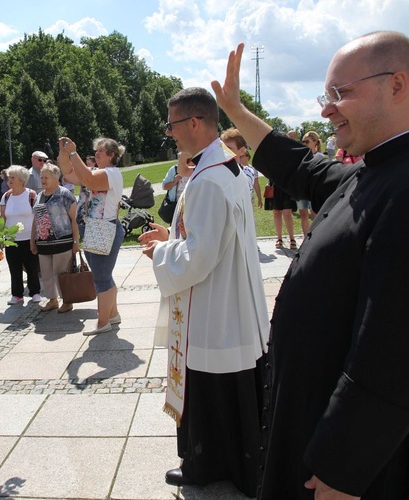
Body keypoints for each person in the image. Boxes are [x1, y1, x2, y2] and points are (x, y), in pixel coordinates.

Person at [212, 32, 409, 499]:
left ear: (397, 85)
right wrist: (236, 111)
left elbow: (396, 355)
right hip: (317, 416)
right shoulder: (387, 167)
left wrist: (343, 469)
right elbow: (301, 168)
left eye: (340, 93)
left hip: (358, 467)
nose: (326, 109)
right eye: (325, 96)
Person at [138, 87, 269, 495]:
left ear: (194, 122)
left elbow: (200, 256)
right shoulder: (223, 167)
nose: (170, 134)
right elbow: (208, 235)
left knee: (213, 391)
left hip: (214, 308)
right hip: (232, 302)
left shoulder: (208, 179)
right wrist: (172, 233)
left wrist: (162, 250)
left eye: (173, 125)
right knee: (232, 393)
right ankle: (235, 465)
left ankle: (206, 464)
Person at [58, 137, 125, 336]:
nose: (96, 154)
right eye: (96, 150)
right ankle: (112, 315)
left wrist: (72, 153)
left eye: (101, 151)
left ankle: (102, 322)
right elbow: (69, 174)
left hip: (103, 229)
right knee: (102, 275)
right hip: (95, 229)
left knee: (102, 277)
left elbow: (87, 179)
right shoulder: (97, 172)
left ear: (112, 155)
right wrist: (64, 153)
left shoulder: (111, 173)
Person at [29, 163, 80, 312]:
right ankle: (52, 300)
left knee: (62, 274)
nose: (43, 180)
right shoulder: (39, 196)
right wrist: (33, 240)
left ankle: (67, 301)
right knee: (46, 274)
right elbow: (35, 220)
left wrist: (76, 241)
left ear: (56, 178)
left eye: (46, 177)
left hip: (62, 241)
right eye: (42, 177)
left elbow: (74, 219)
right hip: (43, 243)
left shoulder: (65, 194)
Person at [0, 165, 41, 305]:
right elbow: (2, 218)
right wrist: (1, 237)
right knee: (14, 268)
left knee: (32, 267)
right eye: (9, 177)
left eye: (13, 177)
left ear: (22, 180)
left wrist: (34, 238)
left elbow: (37, 217)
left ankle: (35, 292)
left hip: (29, 238)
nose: (9, 180)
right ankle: (17, 294)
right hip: (11, 239)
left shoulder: (31, 195)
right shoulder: (6, 196)